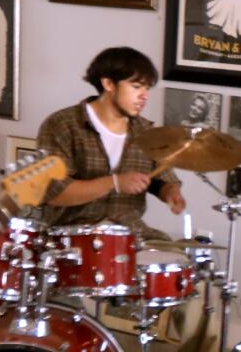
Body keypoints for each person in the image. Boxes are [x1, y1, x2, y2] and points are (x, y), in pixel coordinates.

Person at [35, 47, 186, 228]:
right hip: (72, 237)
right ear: (108, 84)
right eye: (136, 86)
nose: (144, 96)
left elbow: (163, 181)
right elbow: (53, 193)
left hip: (131, 235)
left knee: (177, 256)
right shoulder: (61, 125)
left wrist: (170, 192)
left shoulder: (146, 132)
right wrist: (114, 183)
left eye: (147, 88)